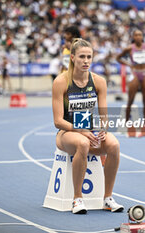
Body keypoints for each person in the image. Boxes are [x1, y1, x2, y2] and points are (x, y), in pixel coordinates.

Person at [52, 38, 124, 214]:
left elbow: (104, 116)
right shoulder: (61, 82)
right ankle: (77, 199)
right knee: (82, 144)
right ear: (73, 58)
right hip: (67, 132)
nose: (85, 61)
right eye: (82, 57)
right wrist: (82, 131)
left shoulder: (99, 82)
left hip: (91, 131)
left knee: (114, 145)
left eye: (89, 57)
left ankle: (107, 198)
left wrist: (102, 130)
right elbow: (58, 121)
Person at [116, 29, 145, 135]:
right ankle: (126, 124)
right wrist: (129, 65)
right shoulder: (129, 48)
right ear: (133, 37)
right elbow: (118, 58)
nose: (138, 37)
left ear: (142, 36)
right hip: (135, 73)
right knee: (130, 100)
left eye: (140, 34)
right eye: (136, 35)